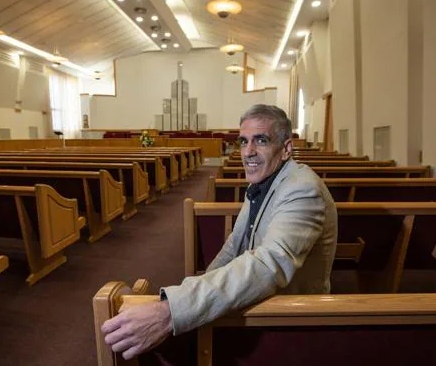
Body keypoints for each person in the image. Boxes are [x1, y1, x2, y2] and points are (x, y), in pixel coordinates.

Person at [102, 104, 338, 360]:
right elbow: (234, 245)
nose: (248, 152)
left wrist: (171, 311)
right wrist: (189, 294)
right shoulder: (266, 178)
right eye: (243, 141)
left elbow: (269, 265)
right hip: (258, 293)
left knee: (165, 342)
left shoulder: (302, 190)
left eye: (261, 140)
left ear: (286, 149)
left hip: (286, 315)